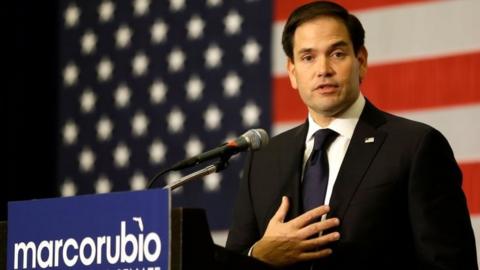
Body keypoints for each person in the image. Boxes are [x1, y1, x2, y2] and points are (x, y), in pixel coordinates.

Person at [225, 1, 478, 269]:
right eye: (308, 57)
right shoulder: (263, 159)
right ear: (292, 72)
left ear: (361, 61)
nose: (323, 69)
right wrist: (258, 254)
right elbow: (228, 262)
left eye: (336, 54)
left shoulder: (415, 146)